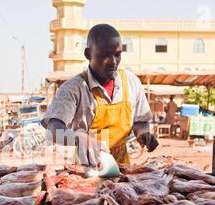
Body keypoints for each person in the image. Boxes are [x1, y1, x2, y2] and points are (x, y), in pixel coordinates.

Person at [42, 24, 158, 166]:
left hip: (122, 166)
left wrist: (143, 133)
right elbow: (53, 130)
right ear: (88, 54)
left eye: (117, 55)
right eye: (105, 56)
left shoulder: (132, 82)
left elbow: (141, 121)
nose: (113, 62)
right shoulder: (73, 89)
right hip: (87, 167)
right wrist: (79, 137)